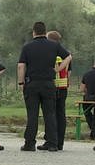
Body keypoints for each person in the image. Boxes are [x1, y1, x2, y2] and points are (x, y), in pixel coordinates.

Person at [18, 22, 72, 152]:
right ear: (44, 31)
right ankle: (52, 143)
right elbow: (69, 56)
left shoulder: (27, 47)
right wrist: (58, 68)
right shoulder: (54, 45)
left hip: (32, 83)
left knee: (32, 114)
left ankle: (29, 143)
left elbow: (21, 66)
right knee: (50, 114)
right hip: (48, 83)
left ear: (34, 32)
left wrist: (21, 82)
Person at [37, 31, 71, 151]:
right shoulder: (66, 54)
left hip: (53, 86)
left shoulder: (52, 53)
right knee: (61, 114)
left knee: (50, 114)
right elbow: (69, 72)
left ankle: (51, 140)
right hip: (63, 87)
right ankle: (59, 142)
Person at [80, 58, 95, 140]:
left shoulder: (86, 74)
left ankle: (94, 131)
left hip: (88, 98)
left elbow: (82, 89)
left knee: (87, 112)